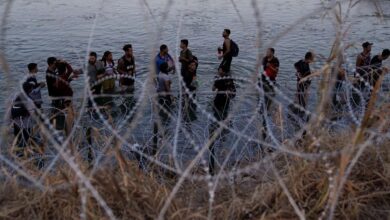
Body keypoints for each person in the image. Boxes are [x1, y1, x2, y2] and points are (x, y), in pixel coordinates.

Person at [209, 66, 236, 175]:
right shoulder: (230, 80)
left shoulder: (219, 79)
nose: (218, 71)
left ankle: (217, 129)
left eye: (219, 70)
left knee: (216, 117)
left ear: (222, 71)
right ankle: (222, 129)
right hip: (226, 102)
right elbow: (234, 93)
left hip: (218, 101)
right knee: (224, 116)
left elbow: (212, 89)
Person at [152, 62, 173, 156]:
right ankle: (164, 129)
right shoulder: (166, 77)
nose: (169, 68)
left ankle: (159, 128)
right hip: (165, 96)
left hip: (158, 95)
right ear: (165, 68)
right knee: (167, 112)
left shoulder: (160, 74)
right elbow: (167, 87)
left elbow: (156, 82)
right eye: (167, 67)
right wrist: (171, 96)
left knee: (160, 111)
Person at [117, 44, 136, 115]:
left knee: (131, 95)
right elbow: (118, 69)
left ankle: (131, 108)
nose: (132, 52)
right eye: (131, 51)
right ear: (126, 52)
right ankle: (124, 110)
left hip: (131, 81)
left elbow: (134, 65)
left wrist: (134, 70)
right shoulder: (121, 60)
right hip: (124, 83)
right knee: (124, 98)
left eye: (132, 50)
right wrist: (125, 73)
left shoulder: (133, 58)